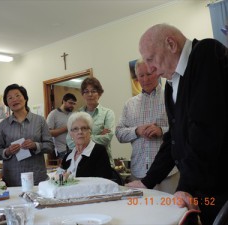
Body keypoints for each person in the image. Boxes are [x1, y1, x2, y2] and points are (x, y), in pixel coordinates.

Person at [126, 24, 228, 225]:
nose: (150, 68)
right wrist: (148, 181)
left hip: (222, 184)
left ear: (171, 44)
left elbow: (206, 128)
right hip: (203, 185)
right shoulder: (172, 83)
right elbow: (173, 139)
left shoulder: (206, 53)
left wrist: (186, 185)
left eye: (150, 59)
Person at [116, 59, 179, 194]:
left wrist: (162, 130)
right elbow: (119, 133)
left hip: (167, 173)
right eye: (141, 75)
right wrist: (136, 131)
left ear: (156, 72)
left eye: (149, 74)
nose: (145, 79)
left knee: (171, 212)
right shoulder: (129, 104)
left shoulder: (171, 96)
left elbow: (182, 128)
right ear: (137, 78)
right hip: (138, 172)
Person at [0, 84, 54, 186]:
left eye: (18, 95)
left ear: (25, 98)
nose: (14, 100)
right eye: (10, 98)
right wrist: (7, 151)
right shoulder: (3, 125)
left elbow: (50, 146)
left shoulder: (40, 121)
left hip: (37, 177)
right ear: (7, 103)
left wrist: (35, 145)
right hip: (12, 178)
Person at [66, 77, 115, 166]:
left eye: (93, 91)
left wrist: (80, 139)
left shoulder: (108, 113)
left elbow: (107, 138)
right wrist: (98, 136)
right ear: (83, 94)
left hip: (102, 162)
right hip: (80, 163)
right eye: (86, 91)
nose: (90, 94)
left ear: (99, 94)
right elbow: (69, 140)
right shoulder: (76, 115)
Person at [61, 112, 112, 179]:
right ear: (71, 134)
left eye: (84, 128)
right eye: (75, 129)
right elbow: (60, 179)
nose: (80, 132)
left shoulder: (99, 152)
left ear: (90, 131)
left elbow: (103, 181)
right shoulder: (67, 157)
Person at [46, 93, 77, 164]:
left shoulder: (74, 114)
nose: (72, 106)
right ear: (64, 101)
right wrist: (66, 128)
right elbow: (48, 133)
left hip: (75, 147)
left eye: (74, 104)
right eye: (70, 103)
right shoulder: (53, 114)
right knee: (65, 171)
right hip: (62, 150)